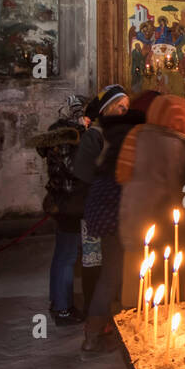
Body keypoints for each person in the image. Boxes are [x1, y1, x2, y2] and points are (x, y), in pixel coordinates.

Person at [77, 84, 151, 351]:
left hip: (110, 210)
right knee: (112, 272)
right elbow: (84, 172)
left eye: (127, 107)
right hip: (110, 211)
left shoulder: (119, 133)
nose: (124, 110)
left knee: (116, 272)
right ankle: (99, 329)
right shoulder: (99, 135)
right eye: (120, 106)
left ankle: (103, 326)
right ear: (108, 107)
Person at [115, 93, 185, 310]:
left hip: (132, 219)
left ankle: (129, 329)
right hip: (164, 226)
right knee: (165, 283)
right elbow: (182, 190)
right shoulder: (179, 145)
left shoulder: (136, 135)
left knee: (134, 282)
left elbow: (123, 176)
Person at [31, 94, 91, 326]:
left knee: (63, 255)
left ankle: (59, 302)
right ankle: (63, 309)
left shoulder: (59, 133)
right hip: (70, 203)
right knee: (66, 256)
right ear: (76, 114)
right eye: (85, 115)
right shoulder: (69, 136)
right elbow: (74, 168)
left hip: (64, 201)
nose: (88, 120)